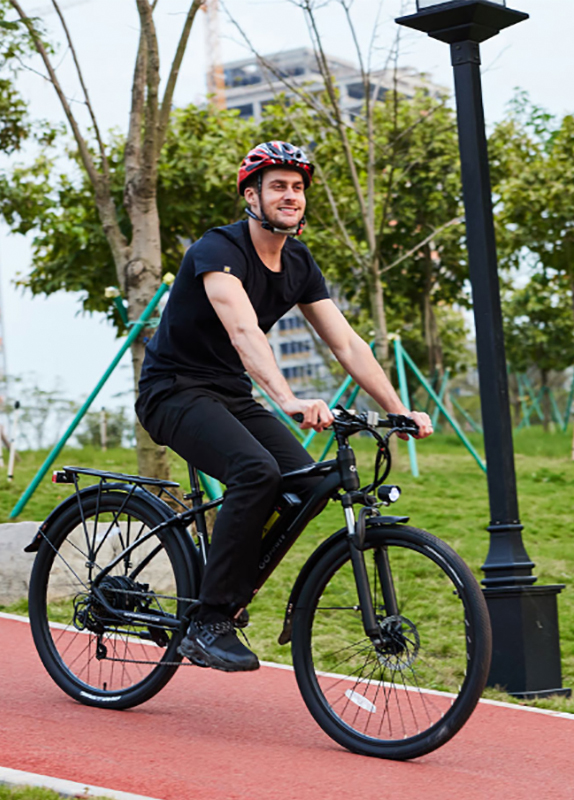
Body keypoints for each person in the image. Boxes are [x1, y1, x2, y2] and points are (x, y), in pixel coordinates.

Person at [135, 141, 433, 673]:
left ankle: (226, 584)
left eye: (297, 187)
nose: (290, 196)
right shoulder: (217, 250)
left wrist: (398, 409)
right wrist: (289, 400)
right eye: (278, 186)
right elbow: (243, 329)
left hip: (228, 393)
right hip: (173, 390)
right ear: (252, 196)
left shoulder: (298, 261)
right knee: (254, 470)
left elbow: (347, 344)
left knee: (302, 481)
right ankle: (209, 620)